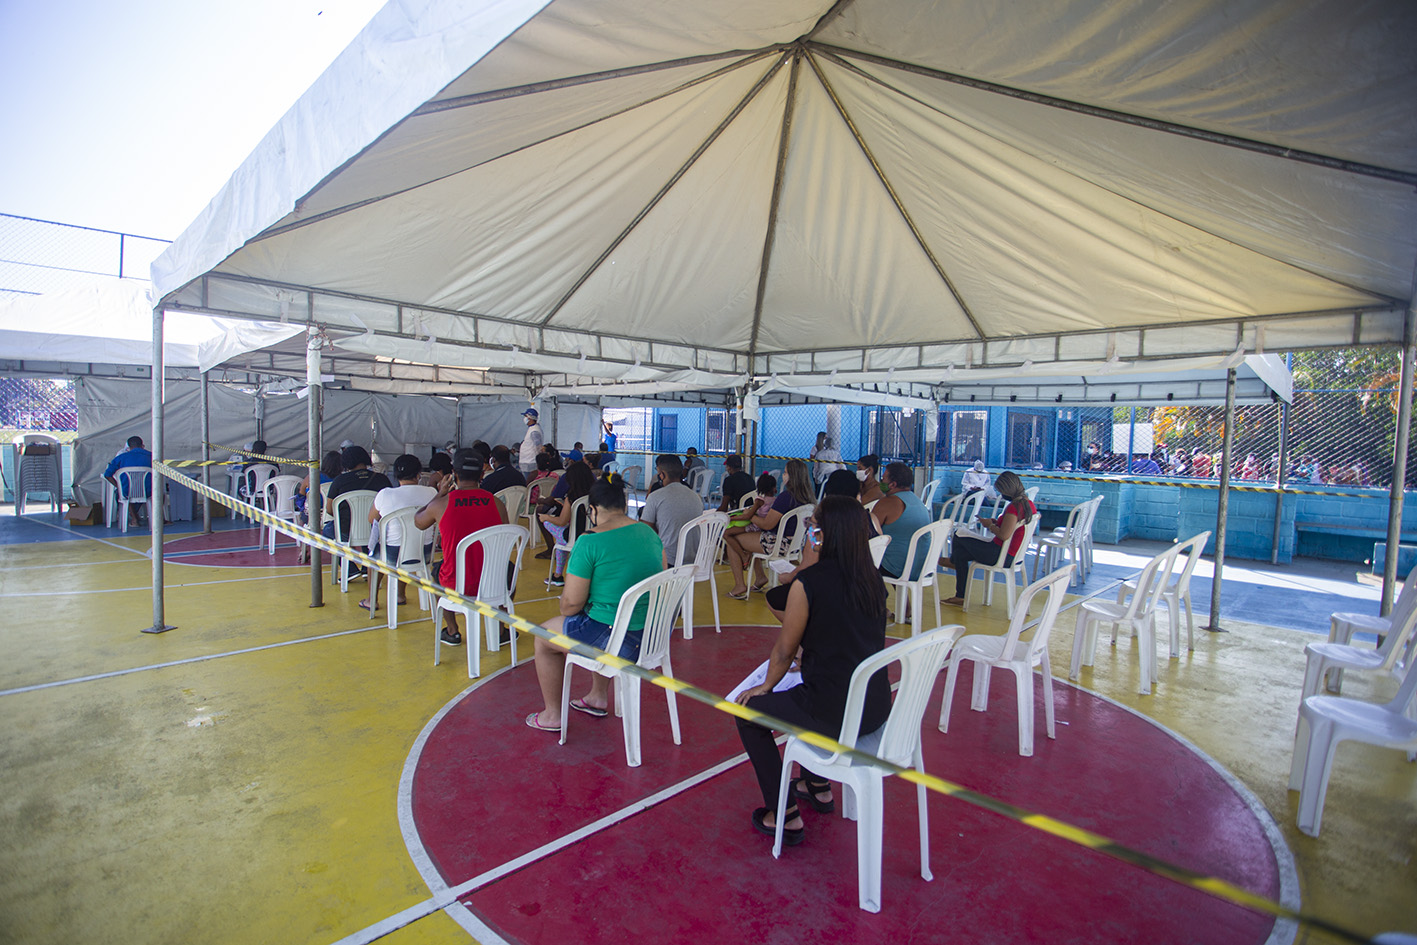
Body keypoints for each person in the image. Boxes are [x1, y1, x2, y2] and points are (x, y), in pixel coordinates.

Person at [733, 494, 890, 844]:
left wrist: (764, 687)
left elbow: (784, 651)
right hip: (875, 707)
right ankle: (816, 785)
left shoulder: (809, 583)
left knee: (748, 714)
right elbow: (847, 634)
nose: (810, 532)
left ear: (825, 534)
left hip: (834, 712)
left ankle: (783, 814)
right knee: (804, 692)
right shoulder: (872, 579)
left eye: (814, 526)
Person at [525, 475, 664, 731]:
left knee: (544, 636)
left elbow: (570, 606)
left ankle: (552, 715)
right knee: (599, 616)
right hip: (651, 636)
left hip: (618, 641)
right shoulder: (649, 533)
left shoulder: (590, 541)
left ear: (593, 510)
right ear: (623, 505)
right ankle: (597, 696)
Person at [414, 449, 508, 647]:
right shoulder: (497, 503)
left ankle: (452, 630)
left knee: (436, 571)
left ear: (454, 474)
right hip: (493, 582)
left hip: (455, 582)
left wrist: (439, 494)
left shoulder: (441, 504)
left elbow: (419, 522)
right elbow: (505, 536)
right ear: (482, 474)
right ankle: (499, 629)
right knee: (508, 568)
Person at [763, 470, 872, 621]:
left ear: (829, 491)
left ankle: (806, 630)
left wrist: (788, 577)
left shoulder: (820, 524)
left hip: (829, 589)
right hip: (863, 588)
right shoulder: (869, 519)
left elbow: (808, 564)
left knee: (774, 597)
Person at [941, 471, 1036, 606]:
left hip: (998, 554)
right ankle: (960, 595)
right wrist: (997, 522)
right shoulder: (1028, 504)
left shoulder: (1014, 507)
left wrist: (990, 525)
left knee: (958, 534)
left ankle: (953, 562)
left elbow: (1004, 535)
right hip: (1011, 555)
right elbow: (1013, 528)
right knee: (961, 555)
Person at [724, 459, 815, 599]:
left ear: (792, 476)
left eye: (785, 472)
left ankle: (740, 585)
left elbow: (767, 525)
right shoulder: (808, 498)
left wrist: (750, 515)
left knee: (733, 540)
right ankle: (760, 577)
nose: (784, 475)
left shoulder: (786, 497)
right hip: (795, 544)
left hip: (777, 543)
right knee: (751, 536)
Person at [362, 454, 437, 614]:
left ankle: (372, 600)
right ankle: (400, 595)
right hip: (424, 552)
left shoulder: (385, 494)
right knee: (407, 546)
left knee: (375, 556)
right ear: (418, 474)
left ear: (396, 475)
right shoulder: (431, 492)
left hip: (393, 554)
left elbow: (371, 519)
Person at [639, 454, 705, 565]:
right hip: (694, 560)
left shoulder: (655, 496)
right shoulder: (695, 496)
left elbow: (646, 529)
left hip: (669, 560)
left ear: (662, 475)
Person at [538, 461, 596, 584]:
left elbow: (561, 521)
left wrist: (546, 518)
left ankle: (558, 575)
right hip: (592, 535)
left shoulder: (571, 497)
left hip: (574, 537)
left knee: (549, 524)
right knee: (561, 542)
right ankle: (557, 576)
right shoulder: (596, 495)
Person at [872, 462, 932, 581]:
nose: (880, 482)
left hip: (896, 568)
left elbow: (868, 531)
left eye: (883, 479)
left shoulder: (888, 502)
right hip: (922, 568)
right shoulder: (917, 501)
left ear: (893, 484)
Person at [324, 446, 392, 540]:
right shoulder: (382, 479)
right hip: (375, 531)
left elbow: (329, 509)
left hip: (345, 530)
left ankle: (342, 550)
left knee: (327, 530)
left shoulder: (339, 481)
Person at [104, 435, 154, 526]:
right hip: (148, 492)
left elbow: (107, 475)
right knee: (159, 494)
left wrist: (119, 487)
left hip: (127, 492)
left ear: (129, 447)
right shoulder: (152, 456)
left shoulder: (121, 457)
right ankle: (159, 519)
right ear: (142, 446)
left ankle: (134, 518)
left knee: (123, 493)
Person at [295, 450, 340, 524]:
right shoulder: (341, 479)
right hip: (334, 514)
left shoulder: (311, 477)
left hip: (312, 514)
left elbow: (301, 495)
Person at [515, 409, 543, 477]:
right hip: (528, 461)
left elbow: (538, 446)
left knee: (528, 480)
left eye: (525, 416)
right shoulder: (532, 429)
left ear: (530, 418)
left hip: (530, 462)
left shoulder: (534, 431)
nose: (524, 418)